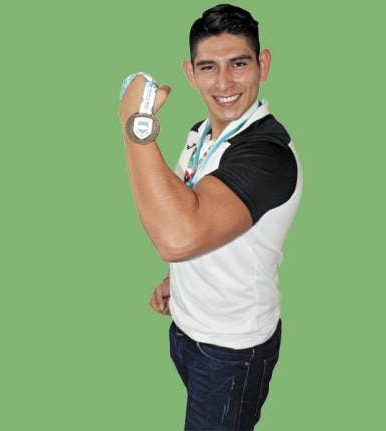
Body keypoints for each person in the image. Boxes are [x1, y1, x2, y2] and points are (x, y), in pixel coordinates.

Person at [118, 4, 302, 430]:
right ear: (190, 73)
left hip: (232, 351)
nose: (223, 83)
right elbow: (195, 210)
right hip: (187, 329)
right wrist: (176, 278)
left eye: (239, 64)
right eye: (208, 67)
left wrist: (136, 123)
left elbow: (176, 237)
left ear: (263, 64)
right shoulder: (200, 134)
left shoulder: (269, 156)